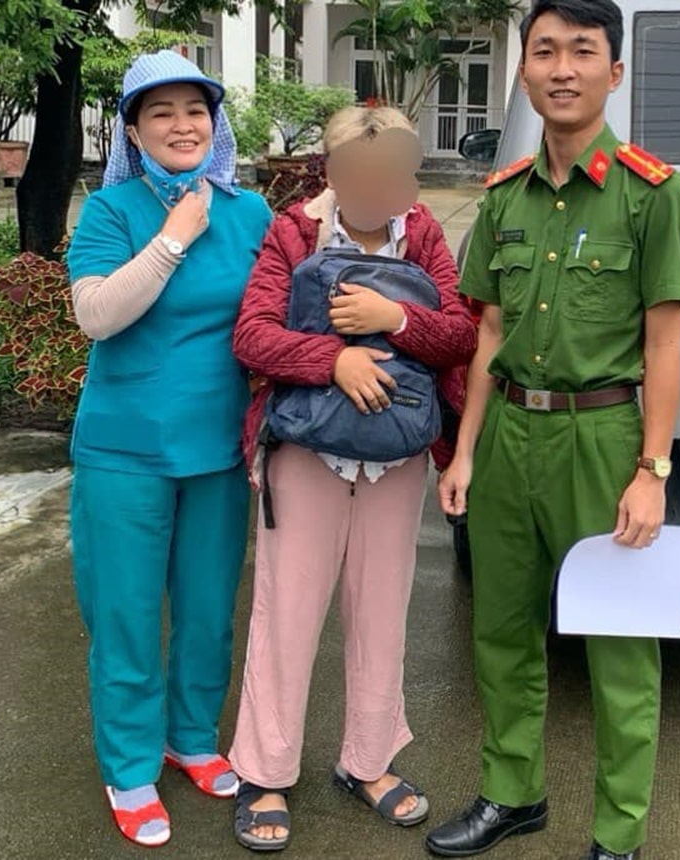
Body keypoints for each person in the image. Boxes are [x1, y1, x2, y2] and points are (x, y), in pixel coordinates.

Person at [425, 0, 680, 858]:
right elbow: (490, 333)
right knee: (501, 630)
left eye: (582, 51)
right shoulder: (504, 195)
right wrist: (466, 452)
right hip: (510, 434)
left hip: (601, 440)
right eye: (544, 51)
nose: (562, 68)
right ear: (524, 72)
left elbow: (665, 343)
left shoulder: (655, 195)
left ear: (614, 72)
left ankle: (619, 833)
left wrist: (652, 470)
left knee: (620, 644)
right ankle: (512, 793)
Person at [227, 106, 477, 852]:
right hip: (307, 450)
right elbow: (252, 336)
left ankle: (367, 761)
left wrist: (394, 318)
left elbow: (460, 334)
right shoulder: (293, 232)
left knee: (382, 611)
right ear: (330, 171)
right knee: (287, 611)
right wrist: (333, 359)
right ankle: (265, 771)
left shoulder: (422, 234)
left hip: (394, 455)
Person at [65, 50, 273, 847]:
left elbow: (278, 309)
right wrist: (175, 236)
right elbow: (97, 315)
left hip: (218, 449)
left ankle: (190, 737)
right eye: (162, 112)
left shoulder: (249, 212)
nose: (183, 126)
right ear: (133, 129)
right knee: (123, 617)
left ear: (214, 123)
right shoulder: (110, 211)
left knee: (209, 611)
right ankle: (128, 765)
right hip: (124, 453)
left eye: (196, 110)